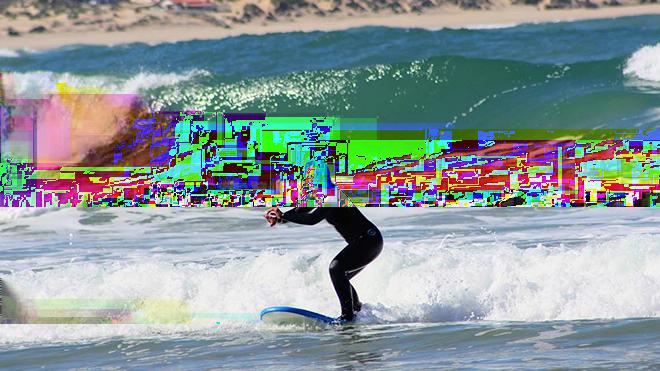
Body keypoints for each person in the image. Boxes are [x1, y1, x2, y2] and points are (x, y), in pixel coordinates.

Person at [264, 160, 383, 322]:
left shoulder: (333, 195)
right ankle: (356, 310)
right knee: (341, 274)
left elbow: (312, 219)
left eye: (310, 178)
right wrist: (279, 217)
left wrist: (284, 216)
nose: (307, 181)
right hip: (364, 242)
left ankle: (347, 317)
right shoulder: (318, 197)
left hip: (369, 240)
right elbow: (300, 211)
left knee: (336, 268)